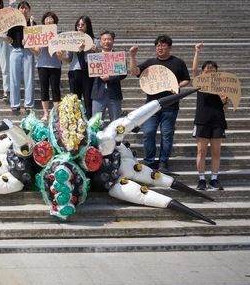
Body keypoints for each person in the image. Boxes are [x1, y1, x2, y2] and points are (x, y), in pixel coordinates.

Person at [129, 34, 190, 173]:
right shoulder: (150, 63)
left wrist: (177, 86)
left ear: (169, 47)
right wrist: (132, 56)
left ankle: (163, 163)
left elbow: (186, 79)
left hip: (171, 106)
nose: (160, 48)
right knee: (148, 132)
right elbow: (135, 72)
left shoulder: (178, 62)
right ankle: (149, 161)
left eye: (163, 45)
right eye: (157, 45)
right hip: (151, 106)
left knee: (167, 135)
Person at [192, 42, 228, 190]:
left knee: (216, 152)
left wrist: (224, 99)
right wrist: (197, 52)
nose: (210, 72)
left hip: (218, 121)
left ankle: (214, 179)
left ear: (217, 72)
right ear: (203, 72)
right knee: (201, 151)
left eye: (213, 70)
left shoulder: (222, 86)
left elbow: (225, 107)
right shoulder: (200, 83)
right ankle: (201, 180)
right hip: (202, 121)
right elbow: (193, 70)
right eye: (207, 70)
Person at [30, 11, 63, 121]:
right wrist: (28, 46)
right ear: (43, 22)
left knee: (55, 89)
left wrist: (60, 52)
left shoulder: (59, 34)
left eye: (51, 19)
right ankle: (45, 114)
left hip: (55, 65)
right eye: (47, 19)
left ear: (55, 21)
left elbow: (61, 52)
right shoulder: (40, 35)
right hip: (42, 64)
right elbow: (36, 52)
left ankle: (56, 114)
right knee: (44, 89)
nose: (49, 20)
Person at [63, 15, 97, 117]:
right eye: (78, 25)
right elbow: (69, 59)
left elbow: (100, 59)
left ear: (88, 26)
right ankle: (76, 123)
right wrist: (60, 57)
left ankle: (89, 122)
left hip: (88, 72)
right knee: (75, 100)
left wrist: (96, 51)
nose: (80, 27)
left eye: (83, 24)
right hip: (74, 72)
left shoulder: (94, 41)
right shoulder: (71, 41)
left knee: (88, 99)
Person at [91, 30, 127, 122]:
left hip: (114, 94)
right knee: (95, 123)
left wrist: (110, 77)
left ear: (113, 41)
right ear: (100, 42)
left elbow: (123, 74)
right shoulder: (95, 57)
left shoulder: (118, 57)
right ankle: (97, 137)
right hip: (98, 93)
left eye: (109, 39)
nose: (107, 41)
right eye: (104, 39)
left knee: (116, 123)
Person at [6, 0, 35, 112]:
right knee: (14, 78)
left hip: (28, 52)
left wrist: (31, 24)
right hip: (15, 50)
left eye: (25, 8)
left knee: (29, 78)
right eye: (21, 8)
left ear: (29, 10)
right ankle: (15, 103)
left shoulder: (32, 22)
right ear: (18, 10)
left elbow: (35, 38)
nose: (23, 10)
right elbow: (9, 38)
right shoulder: (13, 23)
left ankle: (29, 103)